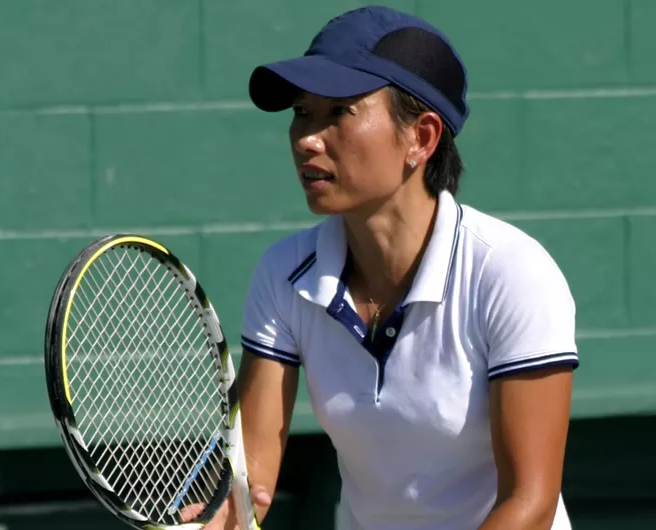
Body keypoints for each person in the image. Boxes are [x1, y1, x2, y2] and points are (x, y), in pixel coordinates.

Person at [198, 5, 579, 530]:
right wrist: (221, 517)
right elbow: (252, 477)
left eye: (338, 113)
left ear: (421, 138)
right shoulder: (282, 273)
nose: (307, 138)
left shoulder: (512, 274)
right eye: (303, 113)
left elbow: (530, 505)